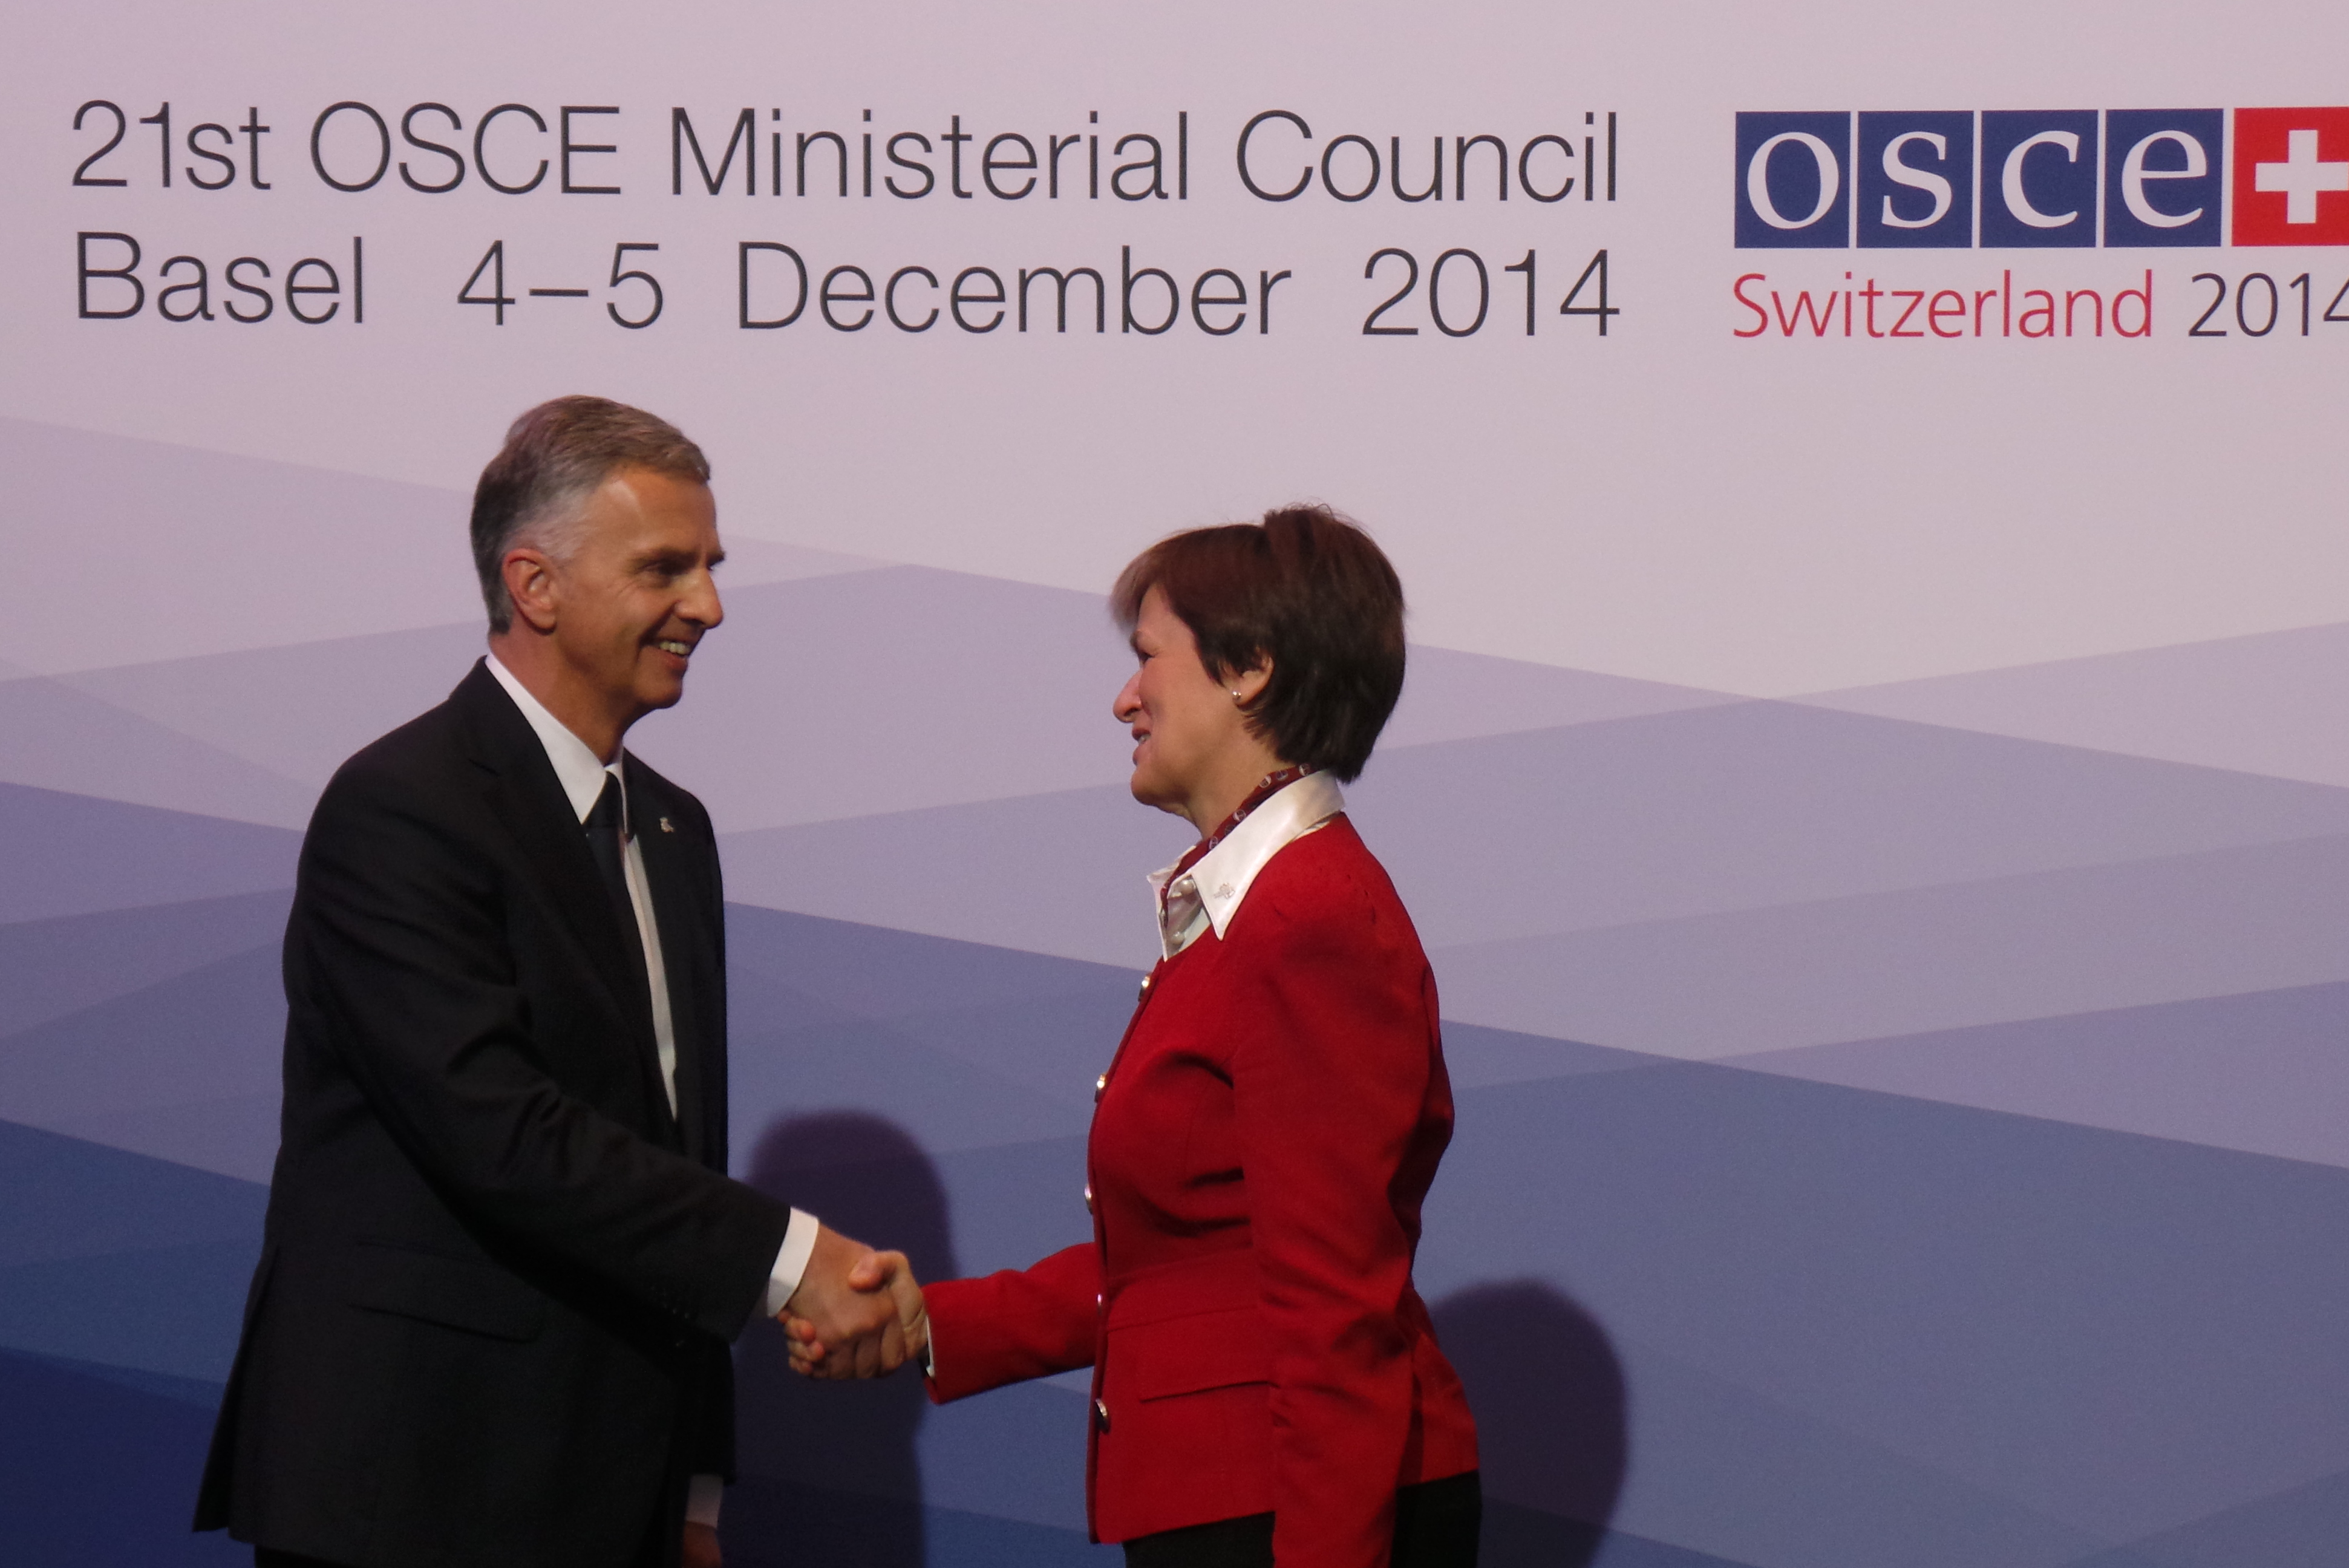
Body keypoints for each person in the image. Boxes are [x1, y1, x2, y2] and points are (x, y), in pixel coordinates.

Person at [195, 396, 916, 1568]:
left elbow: (679, 1155)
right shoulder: (403, 808)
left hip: (613, 1491)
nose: (709, 607)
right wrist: (794, 1262)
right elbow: (501, 1133)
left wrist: (697, 1484)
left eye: (711, 567)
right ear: (535, 586)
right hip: (415, 1489)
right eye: (665, 570)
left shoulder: (675, 831)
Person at [787, 505, 1483, 1567]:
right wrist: (935, 1323)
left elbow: (1335, 1306)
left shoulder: (1308, 919)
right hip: (1225, 1503)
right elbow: (1188, 1267)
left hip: (1289, 1516)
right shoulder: (1253, 912)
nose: (1125, 698)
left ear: (1249, 668)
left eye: (1147, 658)